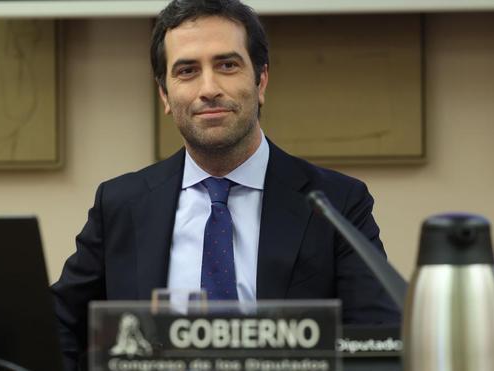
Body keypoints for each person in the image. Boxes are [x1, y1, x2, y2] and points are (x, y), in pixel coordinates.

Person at [51, 0, 401, 369]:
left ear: (261, 80)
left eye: (227, 65)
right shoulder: (121, 204)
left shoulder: (338, 203)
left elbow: (377, 340)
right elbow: (57, 324)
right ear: (165, 96)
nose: (209, 88)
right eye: (187, 71)